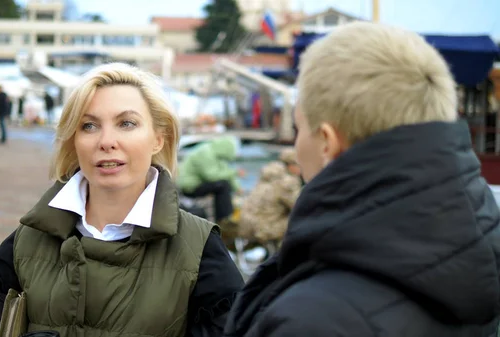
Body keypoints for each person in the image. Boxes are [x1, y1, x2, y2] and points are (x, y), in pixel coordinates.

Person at [224, 22, 500, 337]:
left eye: (299, 129)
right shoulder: (473, 253)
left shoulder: (313, 319)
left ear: (327, 142)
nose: (296, 149)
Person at [0, 63, 244, 337]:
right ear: (74, 140)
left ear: (158, 139)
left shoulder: (201, 250)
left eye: (126, 123)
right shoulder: (23, 243)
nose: (106, 141)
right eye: (89, 125)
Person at [238, 148, 301, 249]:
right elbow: (299, 206)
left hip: (247, 227)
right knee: (303, 222)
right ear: (291, 165)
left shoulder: (268, 176)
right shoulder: (287, 181)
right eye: (299, 165)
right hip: (266, 228)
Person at [177, 136, 242, 225]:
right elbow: (212, 176)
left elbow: (225, 172)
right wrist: (235, 172)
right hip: (190, 187)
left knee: (223, 185)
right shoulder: (205, 152)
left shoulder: (217, 154)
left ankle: (226, 217)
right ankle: (223, 219)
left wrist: (238, 188)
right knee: (222, 185)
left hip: (201, 184)